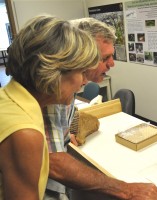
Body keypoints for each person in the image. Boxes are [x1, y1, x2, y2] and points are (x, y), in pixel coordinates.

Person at [43, 18, 157, 200]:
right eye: (105, 58)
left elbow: (60, 129)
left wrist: (66, 135)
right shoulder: (55, 91)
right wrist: (126, 190)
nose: (112, 64)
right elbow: (52, 162)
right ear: (80, 55)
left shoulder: (71, 87)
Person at [0, 15, 100, 200]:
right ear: (53, 71)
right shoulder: (25, 132)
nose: (84, 81)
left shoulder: (10, 100)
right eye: (81, 72)